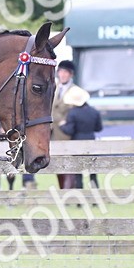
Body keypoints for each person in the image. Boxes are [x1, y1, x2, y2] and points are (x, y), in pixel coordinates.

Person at [59, 85, 101, 189]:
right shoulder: (94, 112)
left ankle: (79, 200)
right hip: (91, 142)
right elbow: (98, 128)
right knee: (93, 173)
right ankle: (95, 197)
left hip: (77, 143)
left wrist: (62, 125)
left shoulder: (73, 113)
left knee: (78, 174)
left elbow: (70, 130)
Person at [50, 60, 76, 189]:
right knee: (57, 165)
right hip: (52, 132)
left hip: (66, 133)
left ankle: (69, 191)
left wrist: (65, 121)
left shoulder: (76, 91)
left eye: (66, 72)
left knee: (68, 164)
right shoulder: (54, 88)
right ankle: (62, 191)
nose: (63, 75)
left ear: (71, 74)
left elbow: (75, 111)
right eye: (61, 71)